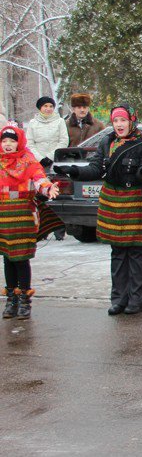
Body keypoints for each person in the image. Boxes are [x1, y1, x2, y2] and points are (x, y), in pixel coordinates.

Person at [54, 104, 142, 315]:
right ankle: (119, 299)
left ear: (131, 121)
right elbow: (95, 168)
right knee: (117, 251)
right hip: (111, 199)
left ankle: (136, 300)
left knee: (135, 251)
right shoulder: (107, 141)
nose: (119, 125)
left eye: (123, 120)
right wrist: (73, 171)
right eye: (116, 121)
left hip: (132, 200)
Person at [0, 124, 59, 320]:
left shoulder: (28, 160)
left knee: (21, 257)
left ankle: (24, 299)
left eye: (12, 140)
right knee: (8, 257)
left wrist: (48, 188)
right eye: (4, 141)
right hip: (3, 214)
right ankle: (11, 299)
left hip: (23, 213)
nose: (8, 144)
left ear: (19, 142)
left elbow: (39, 178)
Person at [25, 96, 69, 167]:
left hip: (56, 160)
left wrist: (50, 157)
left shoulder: (60, 121)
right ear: (40, 107)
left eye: (51, 106)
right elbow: (29, 143)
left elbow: (64, 141)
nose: (48, 109)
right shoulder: (32, 123)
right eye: (45, 106)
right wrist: (40, 159)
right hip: (37, 162)